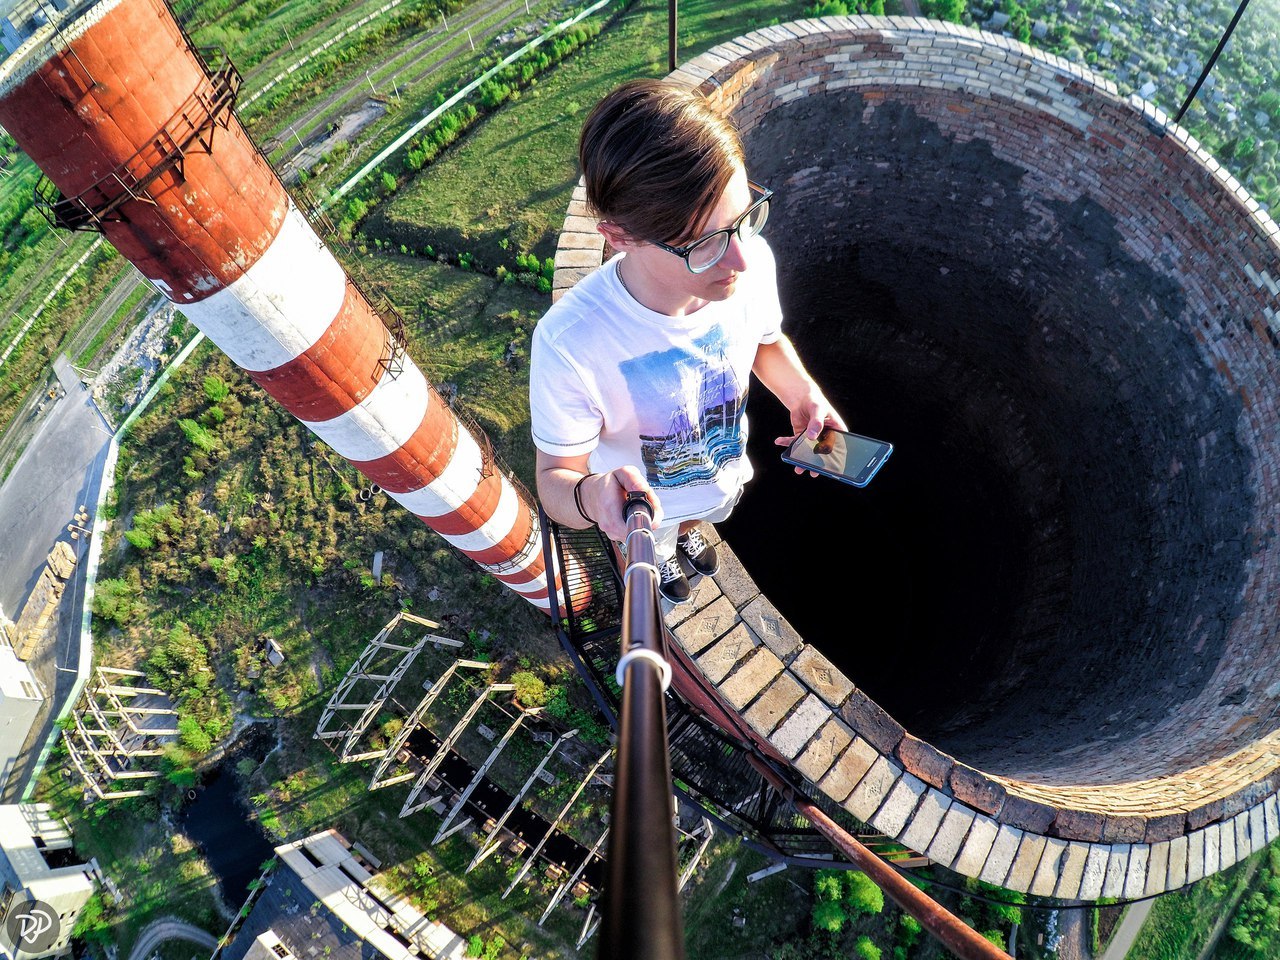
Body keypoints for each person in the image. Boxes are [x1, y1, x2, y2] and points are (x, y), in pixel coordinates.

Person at [530, 78, 844, 603]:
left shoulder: (750, 260)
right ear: (619, 236)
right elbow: (554, 477)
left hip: (720, 467)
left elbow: (765, 342)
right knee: (660, 535)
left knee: (711, 507)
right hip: (645, 505)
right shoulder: (571, 343)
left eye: (744, 220)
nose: (741, 260)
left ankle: (693, 526)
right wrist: (590, 497)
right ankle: (667, 548)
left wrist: (802, 394)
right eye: (704, 244)